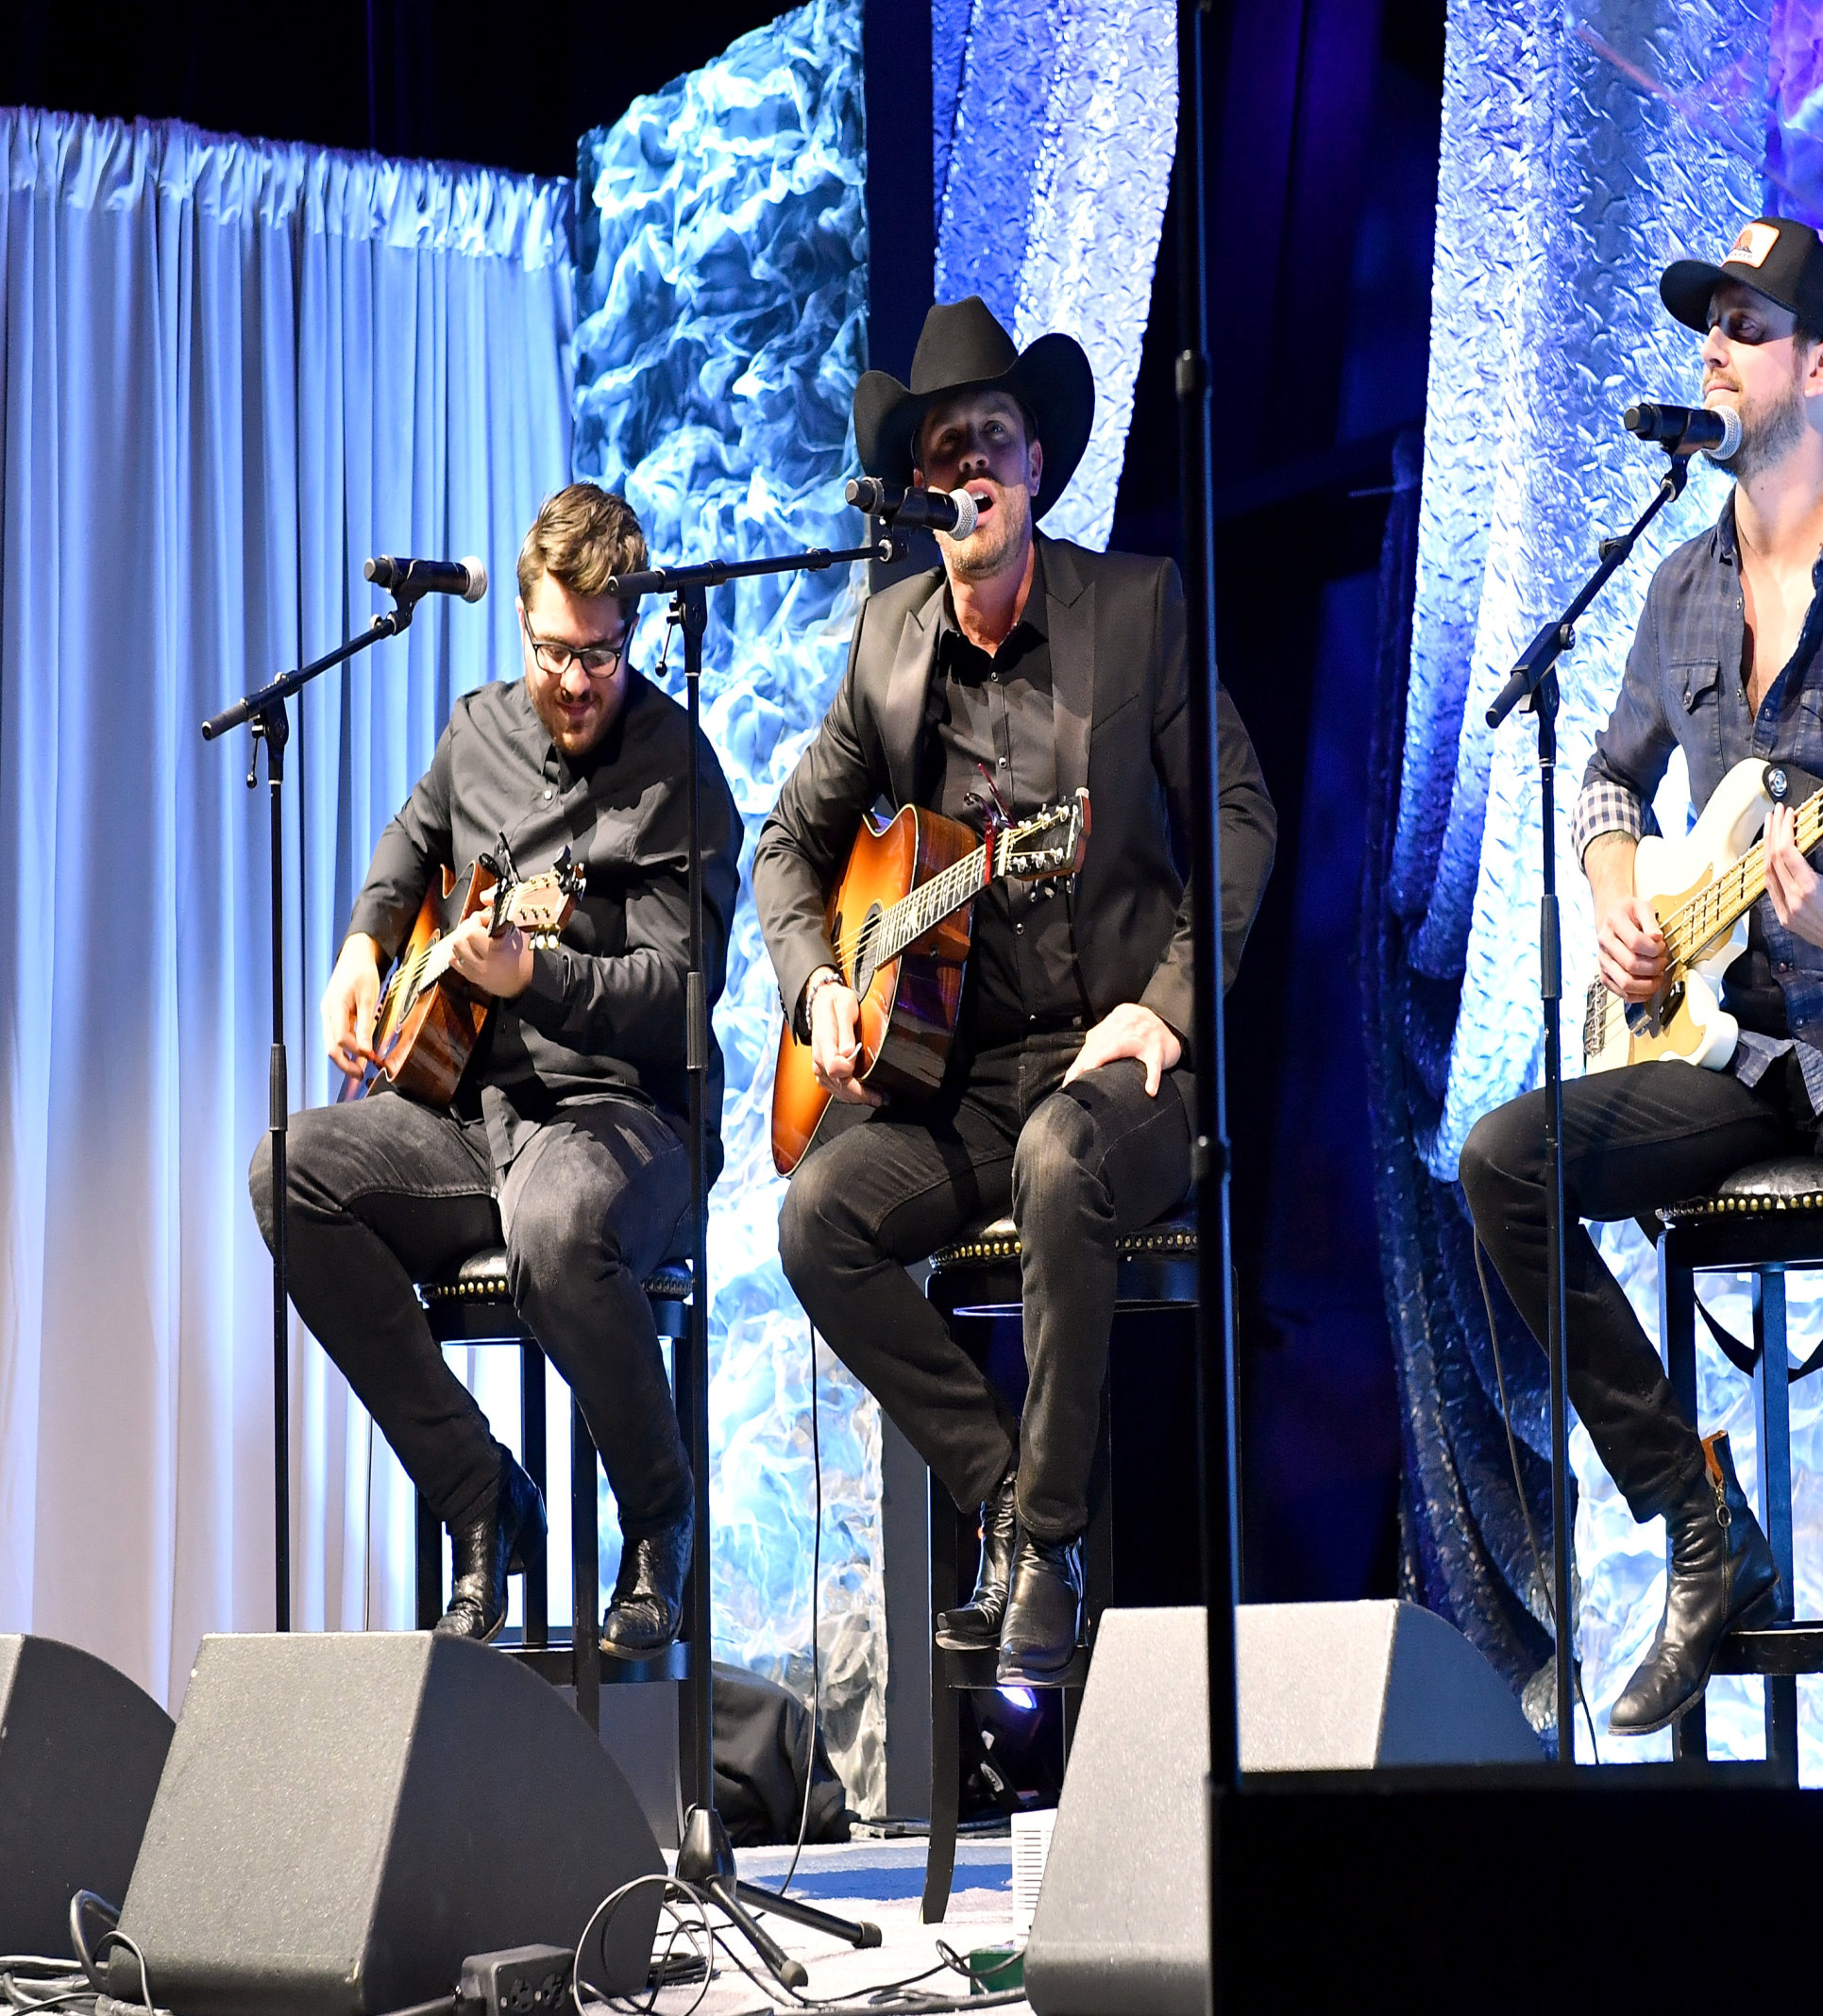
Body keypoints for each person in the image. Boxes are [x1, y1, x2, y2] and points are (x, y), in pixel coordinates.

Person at [1459, 219, 1823, 1813]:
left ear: (1822, 370)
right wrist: (1622, 888)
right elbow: (1611, 774)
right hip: (1724, 1043)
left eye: (1747, 327)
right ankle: (1696, 1515)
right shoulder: (1677, 584)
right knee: (1499, 1164)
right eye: (1709, 324)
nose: (1714, 348)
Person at [755, 297, 1276, 1685]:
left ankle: (1048, 1547)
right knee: (818, 1222)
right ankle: (1013, 1505)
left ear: (1035, 464)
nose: (967, 466)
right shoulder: (888, 645)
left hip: (1124, 1075)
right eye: (942, 451)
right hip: (963, 1078)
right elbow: (787, 848)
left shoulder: (1138, 611)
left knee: (1062, 1158)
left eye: (990, 438)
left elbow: (1241, 819)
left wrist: (1164, 1007)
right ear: (922, 490)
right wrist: (818, 989)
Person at [250, 483, 739, 1656]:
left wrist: (542, 979)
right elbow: (409, 843)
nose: (572, 681)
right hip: (479, 1112)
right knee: (289, 1174)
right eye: (551, 651)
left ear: (631, 631)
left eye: (599, 657)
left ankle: (660, 1517)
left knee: (558, 1229)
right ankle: (483, 1496)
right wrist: (365, 944)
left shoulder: (679, 765)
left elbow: (680, 990)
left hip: (631, 1117)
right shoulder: (477, 732)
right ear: (523, 623)